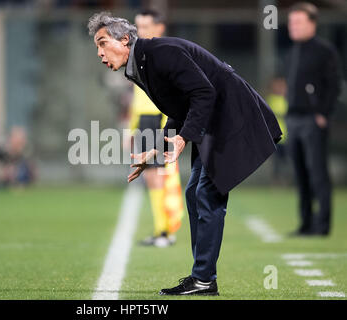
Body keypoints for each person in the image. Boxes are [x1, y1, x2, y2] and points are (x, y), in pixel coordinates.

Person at [88, 12, 281, 296]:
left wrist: (183, 138)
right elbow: (179, 106)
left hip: (230, 117)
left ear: (125, 39)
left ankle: (203, 279)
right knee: (194, 193)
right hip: (214, 120)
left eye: (102, 43)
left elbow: (203, 92)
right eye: (97, 47)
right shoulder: (143, 60)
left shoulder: (160, 53)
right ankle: (202, 277)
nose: (99, 53)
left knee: (207, 193)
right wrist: (162, 146)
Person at [128, 9, 184, 248]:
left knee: (162, 175)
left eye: (146, 26)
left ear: (160, 28)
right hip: (144, 120)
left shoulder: (163, 53)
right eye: (138, 26)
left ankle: (167, 230)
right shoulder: (139, 54)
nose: (140, 32)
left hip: (160, 120)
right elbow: (137, 97)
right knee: (151, 176)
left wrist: (167, 125)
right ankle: (161, 228)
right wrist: (131, 129)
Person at [285, 3, 342, 236]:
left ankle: (322, 225)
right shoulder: (292, 52)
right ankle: (306, 223)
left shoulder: (324, 51)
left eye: (299, 22)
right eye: (291, 22)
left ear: (313, 23)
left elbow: (334, 85)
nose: (294, 26)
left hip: (312, 120)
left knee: (318, 173)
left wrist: (323, 113)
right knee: (300, 173)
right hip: (293, 119)